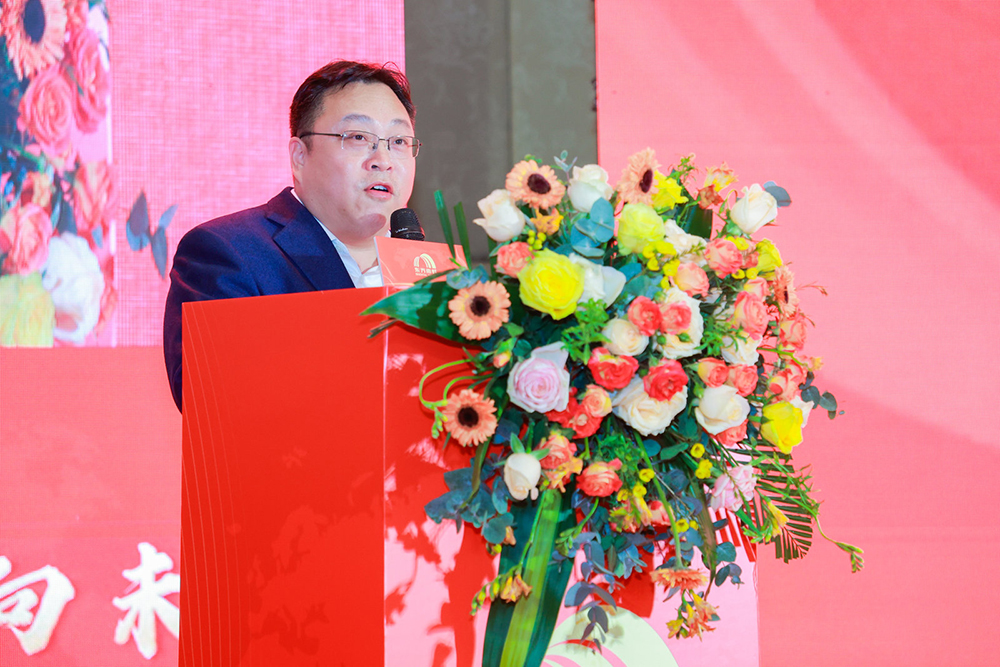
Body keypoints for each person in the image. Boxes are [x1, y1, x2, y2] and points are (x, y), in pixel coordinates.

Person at [163, 61, 420, 411]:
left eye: (399, 141)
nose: (383, 160)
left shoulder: (433, 271)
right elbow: (211, 400)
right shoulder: (228, 252)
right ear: (299, 156)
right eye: (358, 137)